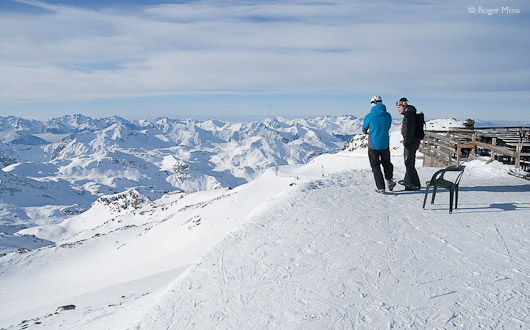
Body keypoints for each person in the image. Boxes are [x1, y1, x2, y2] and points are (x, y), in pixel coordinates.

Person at [363, 95, 396, 193]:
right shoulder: (388, 115)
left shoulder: (369, 116)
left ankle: (380, 187)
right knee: (386, 163)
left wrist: (368, 131)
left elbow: (364, 128)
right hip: (385, 143)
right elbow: (388, 126)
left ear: (372, 103)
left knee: (375, 165)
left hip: (373, 144)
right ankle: (389, 180)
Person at [396, 97, 421, 190]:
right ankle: (408, 181)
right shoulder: (409, 113)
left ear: (404, 105)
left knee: (409, 163)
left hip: (411, 142)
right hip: (413, 141)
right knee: (409, 162)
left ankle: (414, 184)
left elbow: (410, 129)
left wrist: (407, 142)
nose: (398, 109)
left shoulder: (409, 114)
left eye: (399, 107)